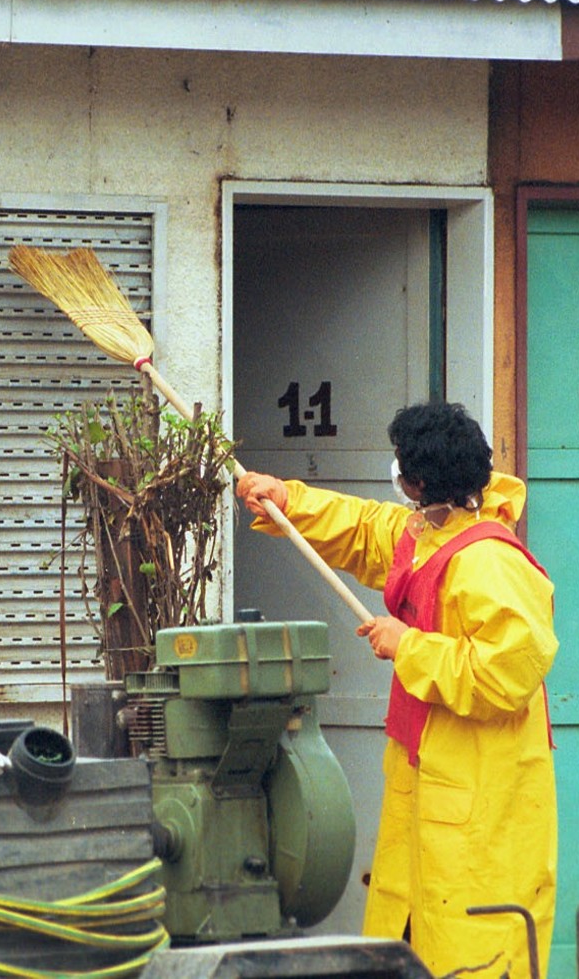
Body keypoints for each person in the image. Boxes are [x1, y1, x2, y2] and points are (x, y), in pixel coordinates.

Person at [236, 400, 557, 978]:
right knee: (412, 939)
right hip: (429, 781)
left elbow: (506, 675)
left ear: (419, 480)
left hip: (484, 792)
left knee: (476, 948)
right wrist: (288, 500)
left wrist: (408, 645)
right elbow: (362, 529)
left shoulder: (491, 563)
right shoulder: (426, 533)